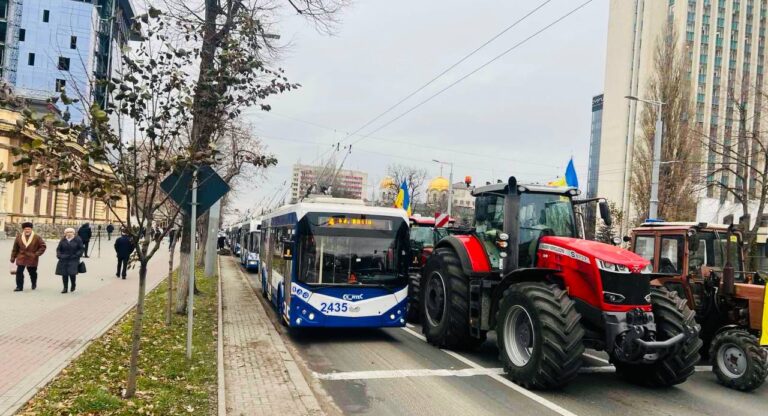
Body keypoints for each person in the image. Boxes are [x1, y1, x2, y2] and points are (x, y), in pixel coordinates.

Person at [10, 222, 47, 292]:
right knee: (19, 272)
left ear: (31, 229)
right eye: (25, 229)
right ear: (23, 229)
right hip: (21, 257)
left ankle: (33, 283)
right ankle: (19, 287)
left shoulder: (37, 237)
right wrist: (13, 257)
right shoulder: (19, 237)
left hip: (32, 257)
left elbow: (43, 246)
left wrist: (37, 254)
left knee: (32, 272)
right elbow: (15, 248)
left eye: (28, 229)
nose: (27, 230)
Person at [55, 228, 84, 294]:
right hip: (63, 259)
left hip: (73, 259)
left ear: (73, 233)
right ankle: (65, 288)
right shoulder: (63, 240)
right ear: (65, 233)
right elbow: (58, 249)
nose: (69, 233)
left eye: (71, 232)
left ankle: (73, 285)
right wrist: (59, 255)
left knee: (72, 273)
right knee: (64, 274)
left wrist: (77, 255)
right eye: (67, 232)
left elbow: (81, 249)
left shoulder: (78, 239)